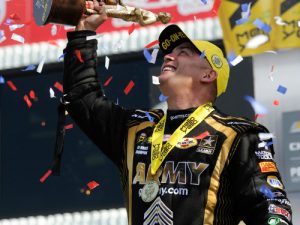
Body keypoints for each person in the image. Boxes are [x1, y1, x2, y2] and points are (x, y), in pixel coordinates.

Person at [58, 0, 293, 224]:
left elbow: (270, 208)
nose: (168, 56)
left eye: (184, 52)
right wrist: (85, 33)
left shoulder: (239, 135)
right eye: (169, 53)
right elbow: (81, 96)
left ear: (208, 75)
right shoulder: (135, 129)